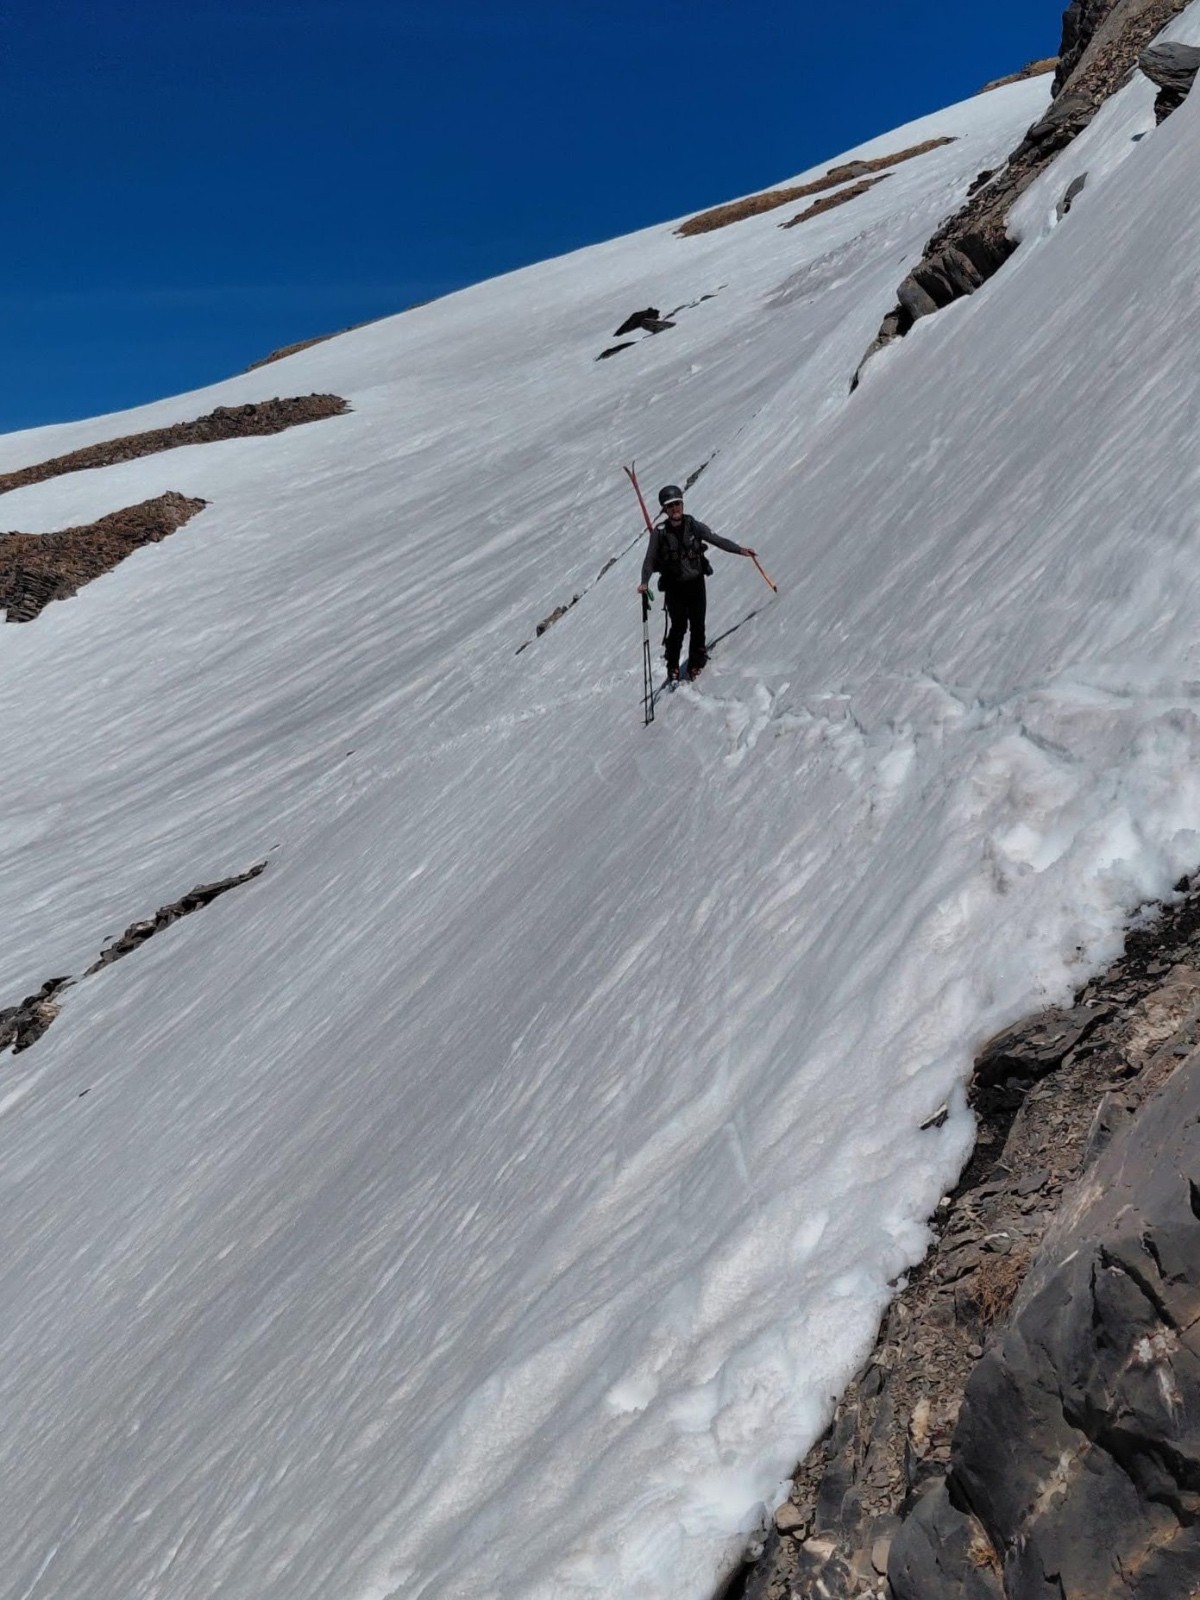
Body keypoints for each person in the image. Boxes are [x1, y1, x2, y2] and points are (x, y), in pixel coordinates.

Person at [637, 485, 757, 681]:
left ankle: (695, 662)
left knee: (698, 624)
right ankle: (673, 664)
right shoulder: (659, 534)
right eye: (670, 506)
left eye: (677, 503)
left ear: (682, 504)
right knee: (679, 626)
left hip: (696, 583)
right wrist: (644, 582)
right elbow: (649, 560)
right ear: (665, 510)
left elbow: (715, 539)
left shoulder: (693, 525)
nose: (675, 508)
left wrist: (740, 550)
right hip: (674, 586)